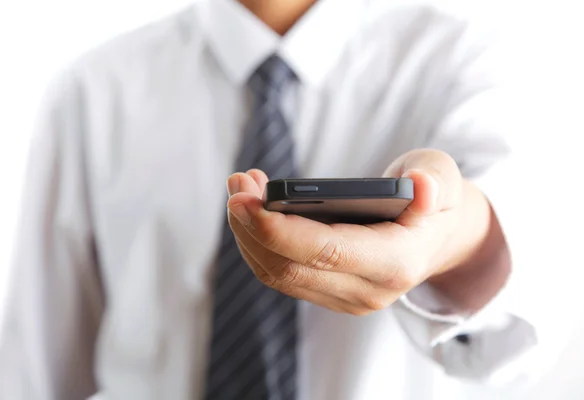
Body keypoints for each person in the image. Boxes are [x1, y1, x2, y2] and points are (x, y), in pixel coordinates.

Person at [0, 0, 542, 399]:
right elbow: (35, 374)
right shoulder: (90, 93)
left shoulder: (457, 62)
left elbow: (508, 345)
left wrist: (453, 237)